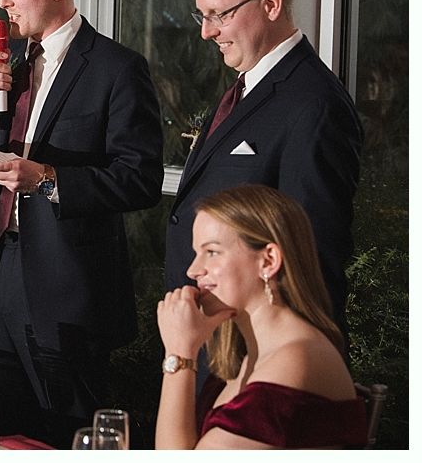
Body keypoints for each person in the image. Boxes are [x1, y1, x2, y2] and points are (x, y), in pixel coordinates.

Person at [0, 0, 164, 448]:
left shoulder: (117, 68)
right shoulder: (7, 68)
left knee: (68, 437)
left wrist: (46, 179)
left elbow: (140, 179)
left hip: (68, 290)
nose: (3, 1)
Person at [166, 0, 363, 339]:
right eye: (201, 15)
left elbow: (313, 259)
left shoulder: (314, 105)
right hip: (213, 337)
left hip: (256, 352)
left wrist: (273, 368)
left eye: (220, 14)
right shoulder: (246, 86)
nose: (206, 31)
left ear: (271, 4)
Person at [156, 185, 367, 449]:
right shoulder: (254, 354)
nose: (193, 270)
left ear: (268, 261)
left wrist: (179, 354)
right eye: (197, 253)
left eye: (211, 252)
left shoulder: (296, 360)